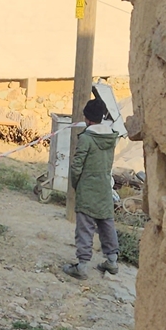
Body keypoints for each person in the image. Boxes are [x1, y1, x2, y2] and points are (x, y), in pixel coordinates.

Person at [63, 97, 120, 280]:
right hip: (104, 187)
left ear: (87, 118)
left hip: (87, 188)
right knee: (106, 223)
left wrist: (75, 185)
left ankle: (82, 266)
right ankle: (112, 261)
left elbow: (77, 166)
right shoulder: (111, 137)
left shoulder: (87, 138)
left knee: (85, 228)